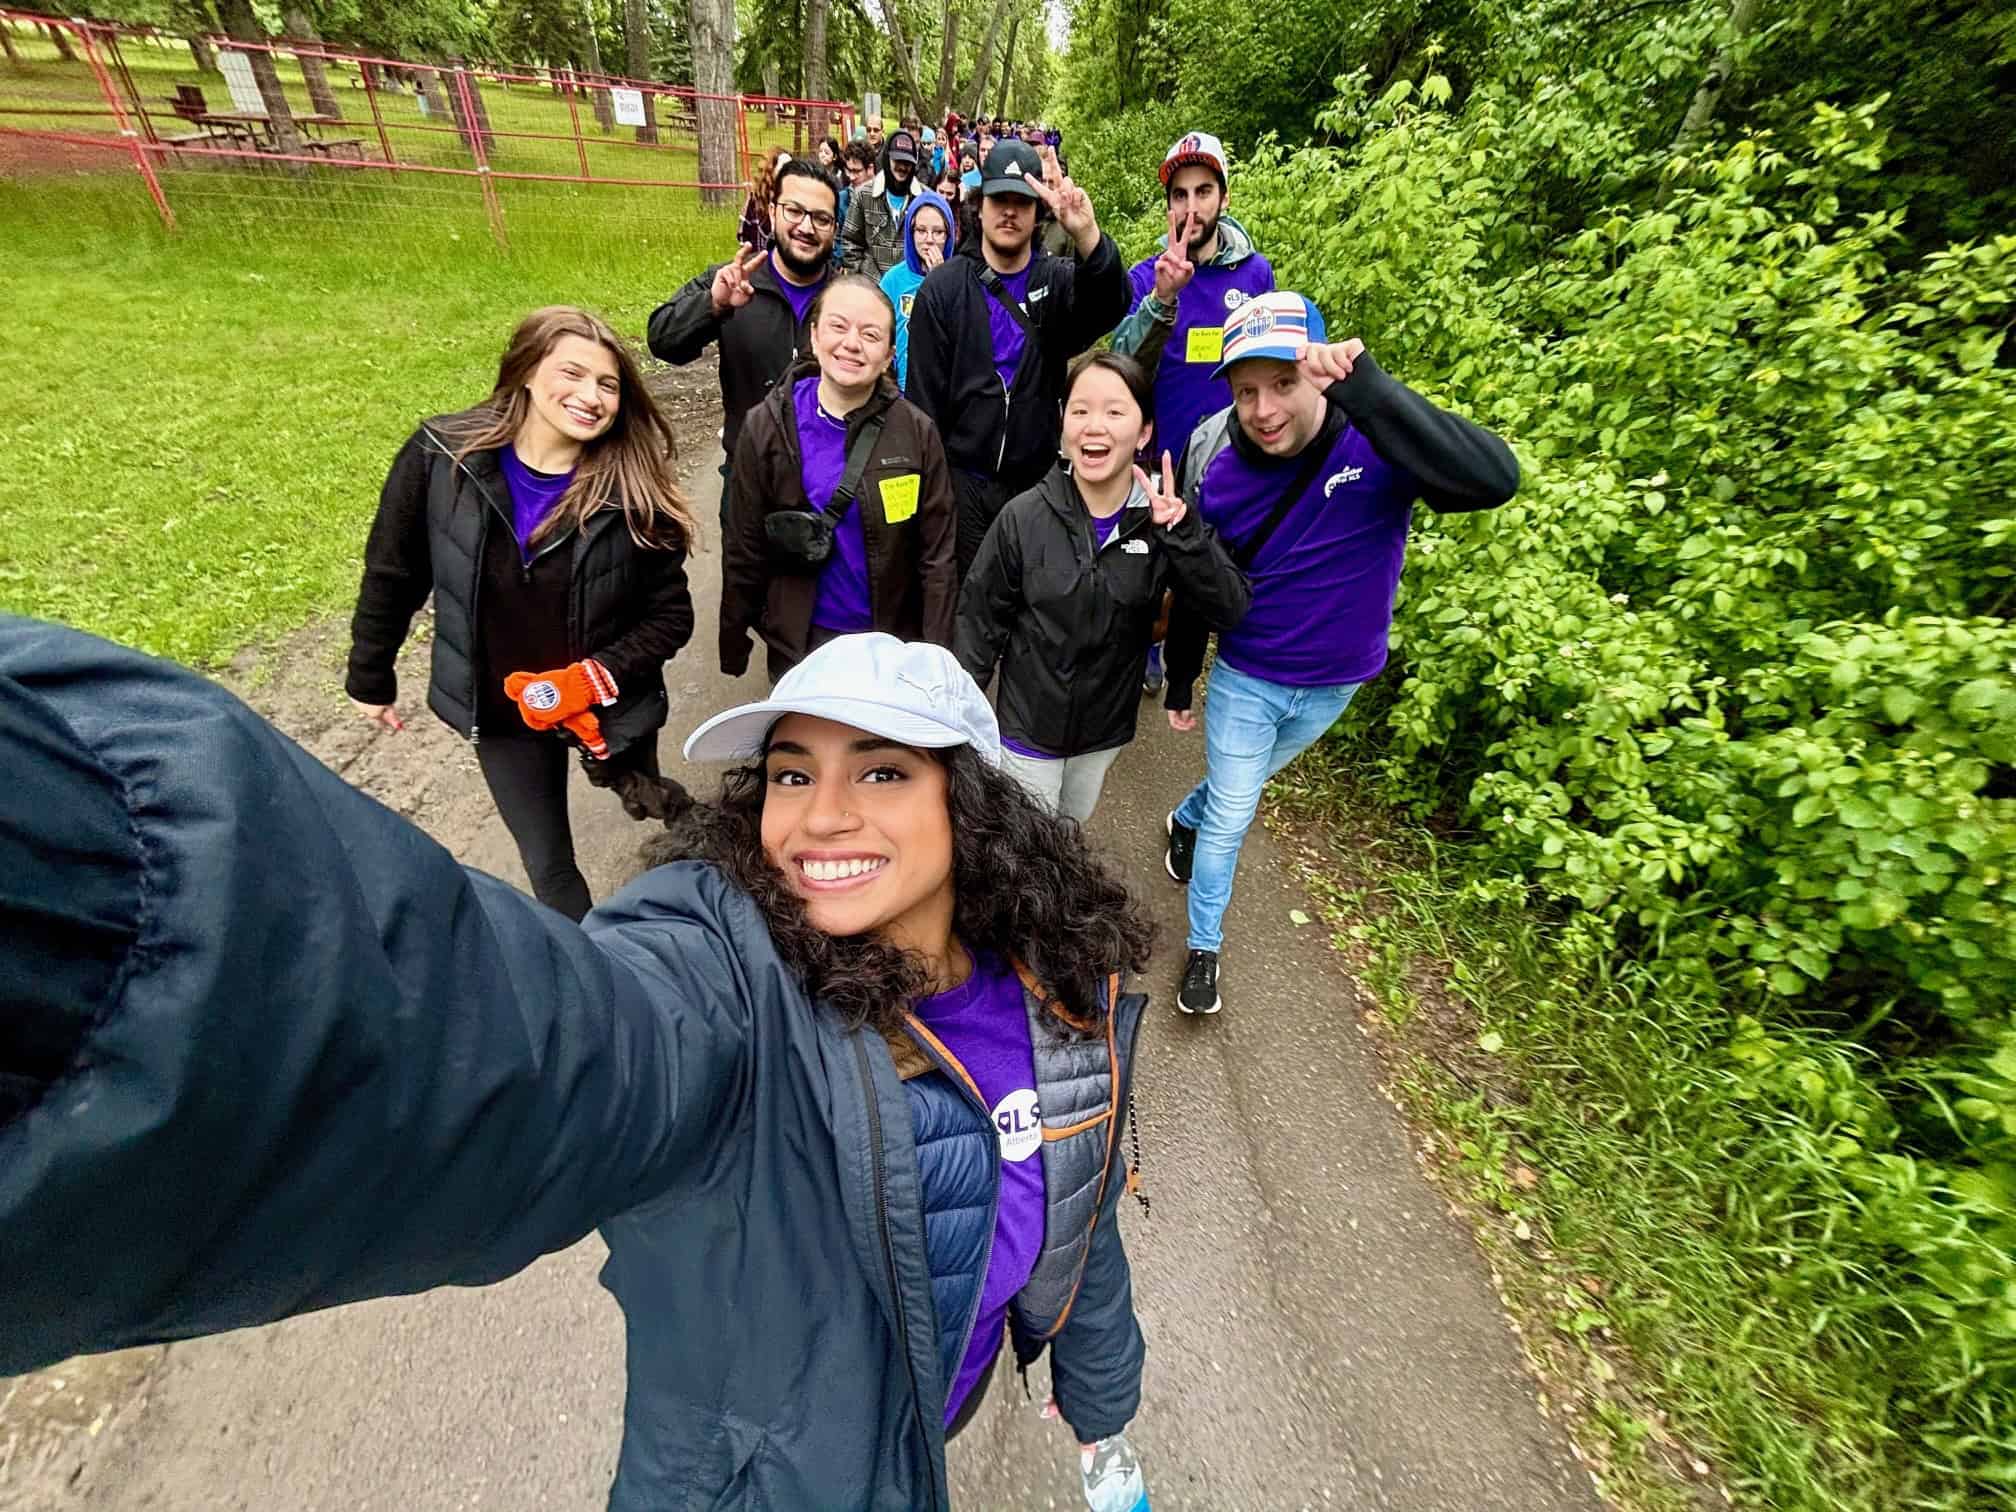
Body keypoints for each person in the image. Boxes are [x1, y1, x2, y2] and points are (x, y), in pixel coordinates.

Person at [0, 623, 1156, 1512]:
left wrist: (1100, 1398)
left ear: (972, 807)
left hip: (918, 1423)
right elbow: (545, 1047)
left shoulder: (1056, 989)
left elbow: (1079, 1199)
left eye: (884, 773)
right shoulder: (729, 979)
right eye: (793, 775)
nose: (819, 818)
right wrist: (98, 918)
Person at [1161, 292, 1520, 1015]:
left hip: (1335, 687)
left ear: (1321, 375)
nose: (1263, 411)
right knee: (1237, 812)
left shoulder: (1379, 443)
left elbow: (1495, 479)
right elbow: (1203, 582)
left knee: (1237, 790)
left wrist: (1375, 389)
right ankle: (1203, 949)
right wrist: (1179, 681)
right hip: (1248, 680)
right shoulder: (1223, 471)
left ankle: (1183, 820)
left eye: (1283, 384)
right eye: (1246, 392)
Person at [345, 306, 697, 922]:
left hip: (607, 704)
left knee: (644, 799)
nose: (590, 397)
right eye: (573, 374)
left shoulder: (637, 492)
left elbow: (671, 617)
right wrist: (370, 674)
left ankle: (650, 804)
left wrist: (588, 680)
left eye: (608, 385)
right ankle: (594, 980)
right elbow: (393, 570)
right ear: (528, 372)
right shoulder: (441, 459)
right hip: (506, 713)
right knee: (549, 864)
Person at [957, 352, 1249, 823]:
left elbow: (1228, 609)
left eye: (1115, 412)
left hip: (1103, 733)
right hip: (1027, 729)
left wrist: (1183, 536)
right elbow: (979, 621)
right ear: (1062, 425)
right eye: (1080, 410)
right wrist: (958, 720)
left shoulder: (1165, 525)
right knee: (1026, 841)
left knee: (1070, 829)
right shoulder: (1023, 518)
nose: (1095, 426)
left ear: (1145, 431)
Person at [905, 141, 1130, 574]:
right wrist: (932, 491)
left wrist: (1086, 234)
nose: (1009, 212)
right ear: (980, 204)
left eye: (1022, 202)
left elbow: (1109, 304)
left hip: (1036, 481)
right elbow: (923, 403)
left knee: (1031, 602)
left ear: (1037, 211)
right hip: (963, 482)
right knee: (968, 601)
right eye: (999, 199)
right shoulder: (944, 289)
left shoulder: (1057, 280)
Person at [721, 277, 957, 682]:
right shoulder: (767, 426)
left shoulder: (917, 433)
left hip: (889, 647)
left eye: (870, 334)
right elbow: (743, 545)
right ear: (813, 336)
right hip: (800, 645)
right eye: (838, 326)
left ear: (887, 356)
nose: (852, 343)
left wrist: (934, 660)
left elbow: (937, 558)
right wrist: (735, 636)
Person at [1110, 132, 1276, 695]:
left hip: (1228, 457)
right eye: (1180, 195)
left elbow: (1265, 366)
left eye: (1203, 191)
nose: (1191, 206)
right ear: (1168, 206)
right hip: (1159, 454)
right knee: (1148, 565)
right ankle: (1146, 645)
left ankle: (1199, 661)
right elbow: (1119, 364)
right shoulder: (1145, 274)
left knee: (1204, 563)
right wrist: (1161, 298)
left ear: (1223, 198)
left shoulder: (1254, 276)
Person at [648, 159, 839, 527]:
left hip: (829, 489)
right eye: (794, 211)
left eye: (821, 218)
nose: (806, 227)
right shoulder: (734, 281)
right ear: (771, 211)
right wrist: (712, 307)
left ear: (834, 227)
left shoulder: (847, 297)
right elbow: (661, 340)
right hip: (748, 483)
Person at [881, 190, 955, 388]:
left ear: (949, 236)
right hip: (901, 388)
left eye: (938, 232)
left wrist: (940, 280)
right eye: (921, 230)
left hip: (942, 388)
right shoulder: (893, 280)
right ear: (910, 232)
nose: (929, 239)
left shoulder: (958, 278)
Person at [842, 127, 921, 278]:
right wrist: (861, 278)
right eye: (897, 160)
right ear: (887, 158)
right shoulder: (864, 195)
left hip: (909, 291)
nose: (903, 167)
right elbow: (850, 241)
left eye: (907, 162)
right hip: (871, 290)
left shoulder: (923, 199)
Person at [737, 144, 790, 255]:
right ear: (771, 170)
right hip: (758, 260)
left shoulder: (794, 199)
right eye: (783, 168)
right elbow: (743, 234)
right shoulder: (755, 199)